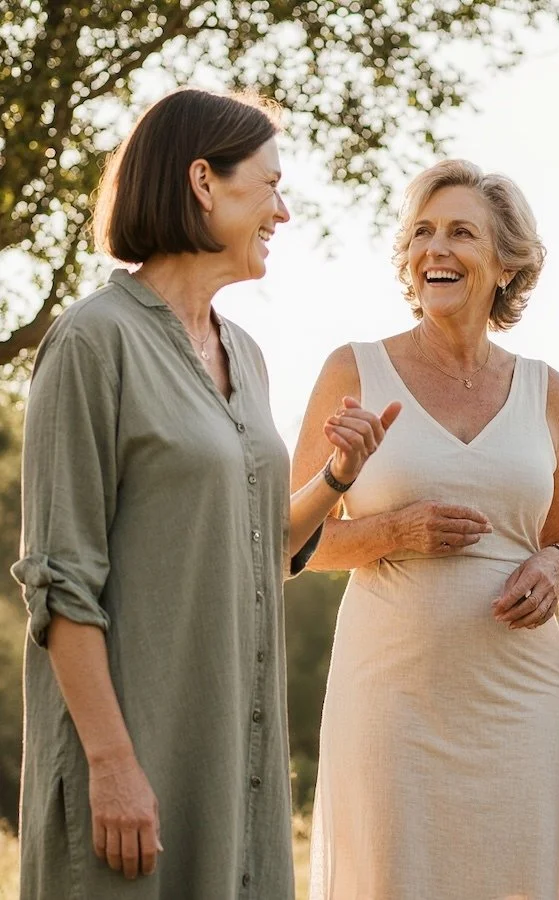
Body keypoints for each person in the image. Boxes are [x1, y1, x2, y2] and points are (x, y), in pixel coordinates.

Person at [12, 88, 400, 900]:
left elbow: (258, 546)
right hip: (131, 763)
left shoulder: (248, 354)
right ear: (202, 182)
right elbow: (60, 582)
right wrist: (114, 766)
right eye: (270, 185)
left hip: (230, 759)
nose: (283, 213)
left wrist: (336, 480)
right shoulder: (92, 342)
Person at [291, 159, 559, 899]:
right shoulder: (352, 369)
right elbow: (282, 542)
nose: (435, 250)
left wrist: (552, 567)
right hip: (392, 696)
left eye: (461, 233)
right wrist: (396, 530)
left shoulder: (548, 390)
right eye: (422, 232)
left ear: (505, 263)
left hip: (518, 700)